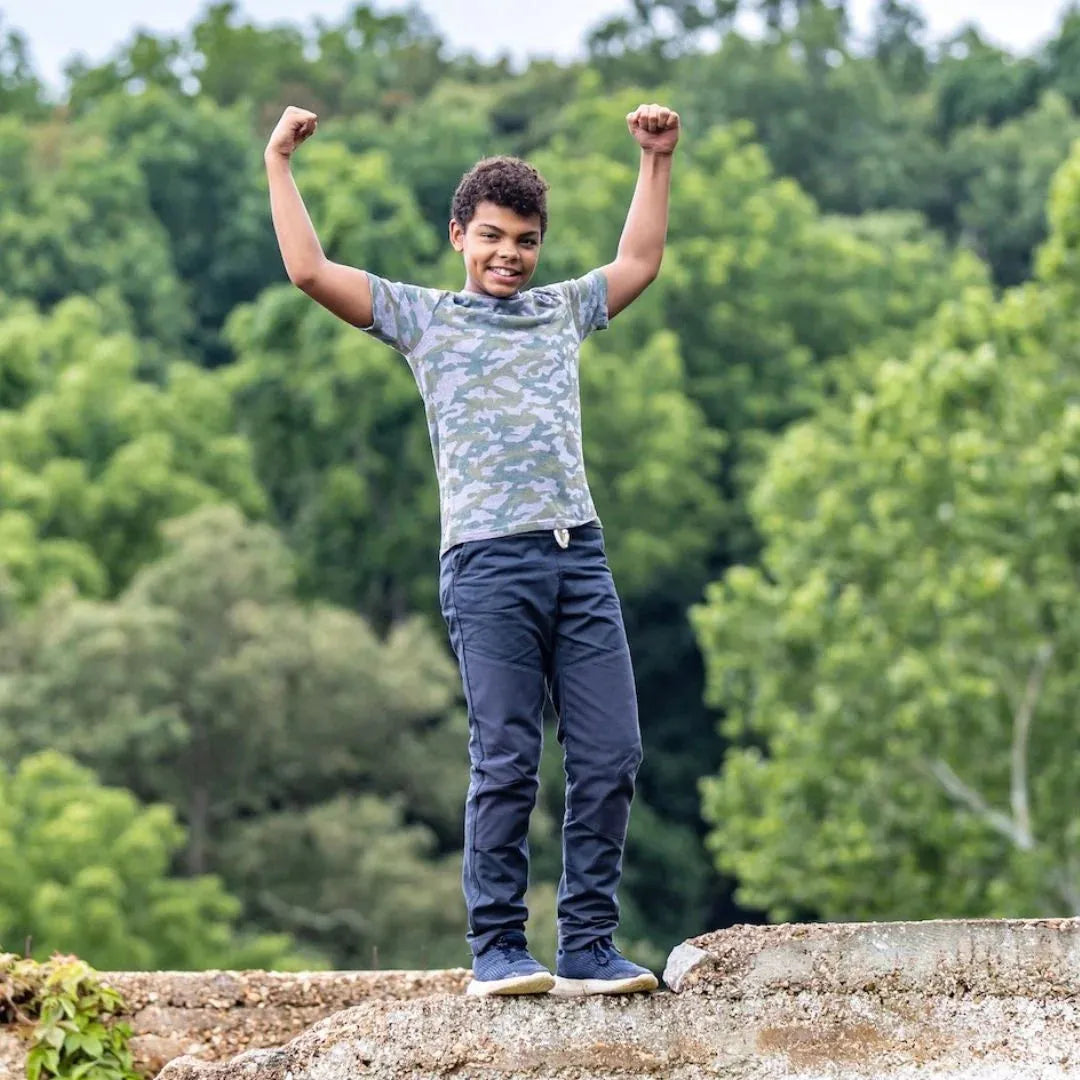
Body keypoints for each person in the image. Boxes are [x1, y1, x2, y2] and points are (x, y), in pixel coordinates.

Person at [264, 100, 680, 997]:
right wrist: (280, 165)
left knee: (611, 753)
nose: (509, 255)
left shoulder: (562, 311)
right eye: (491, 236)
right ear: (459, 235)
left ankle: (587, 944)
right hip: (489, 566)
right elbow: (307, 270)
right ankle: (497, 947)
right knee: (509, 757)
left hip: (581, 558)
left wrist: (655, 159)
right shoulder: (425, 320)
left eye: (525, 240)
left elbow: (639, 260)